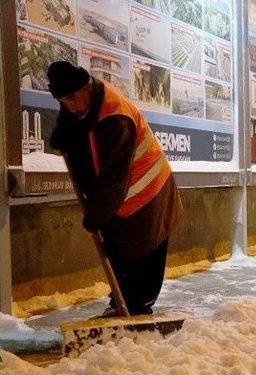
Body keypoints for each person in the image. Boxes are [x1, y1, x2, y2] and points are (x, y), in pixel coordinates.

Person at [47, 61, 182, 316]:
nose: (70, 105)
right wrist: (63, 136)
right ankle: (120, 303)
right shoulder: (83, 102)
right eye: (64, 100)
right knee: (117, 249)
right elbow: (73, 126)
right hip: (120, 195)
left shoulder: (115, 117)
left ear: (86, 87)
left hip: (149, 191)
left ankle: (137, 307)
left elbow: (114, 177)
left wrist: (95, 214)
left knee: (143, 252)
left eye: (73, 98)